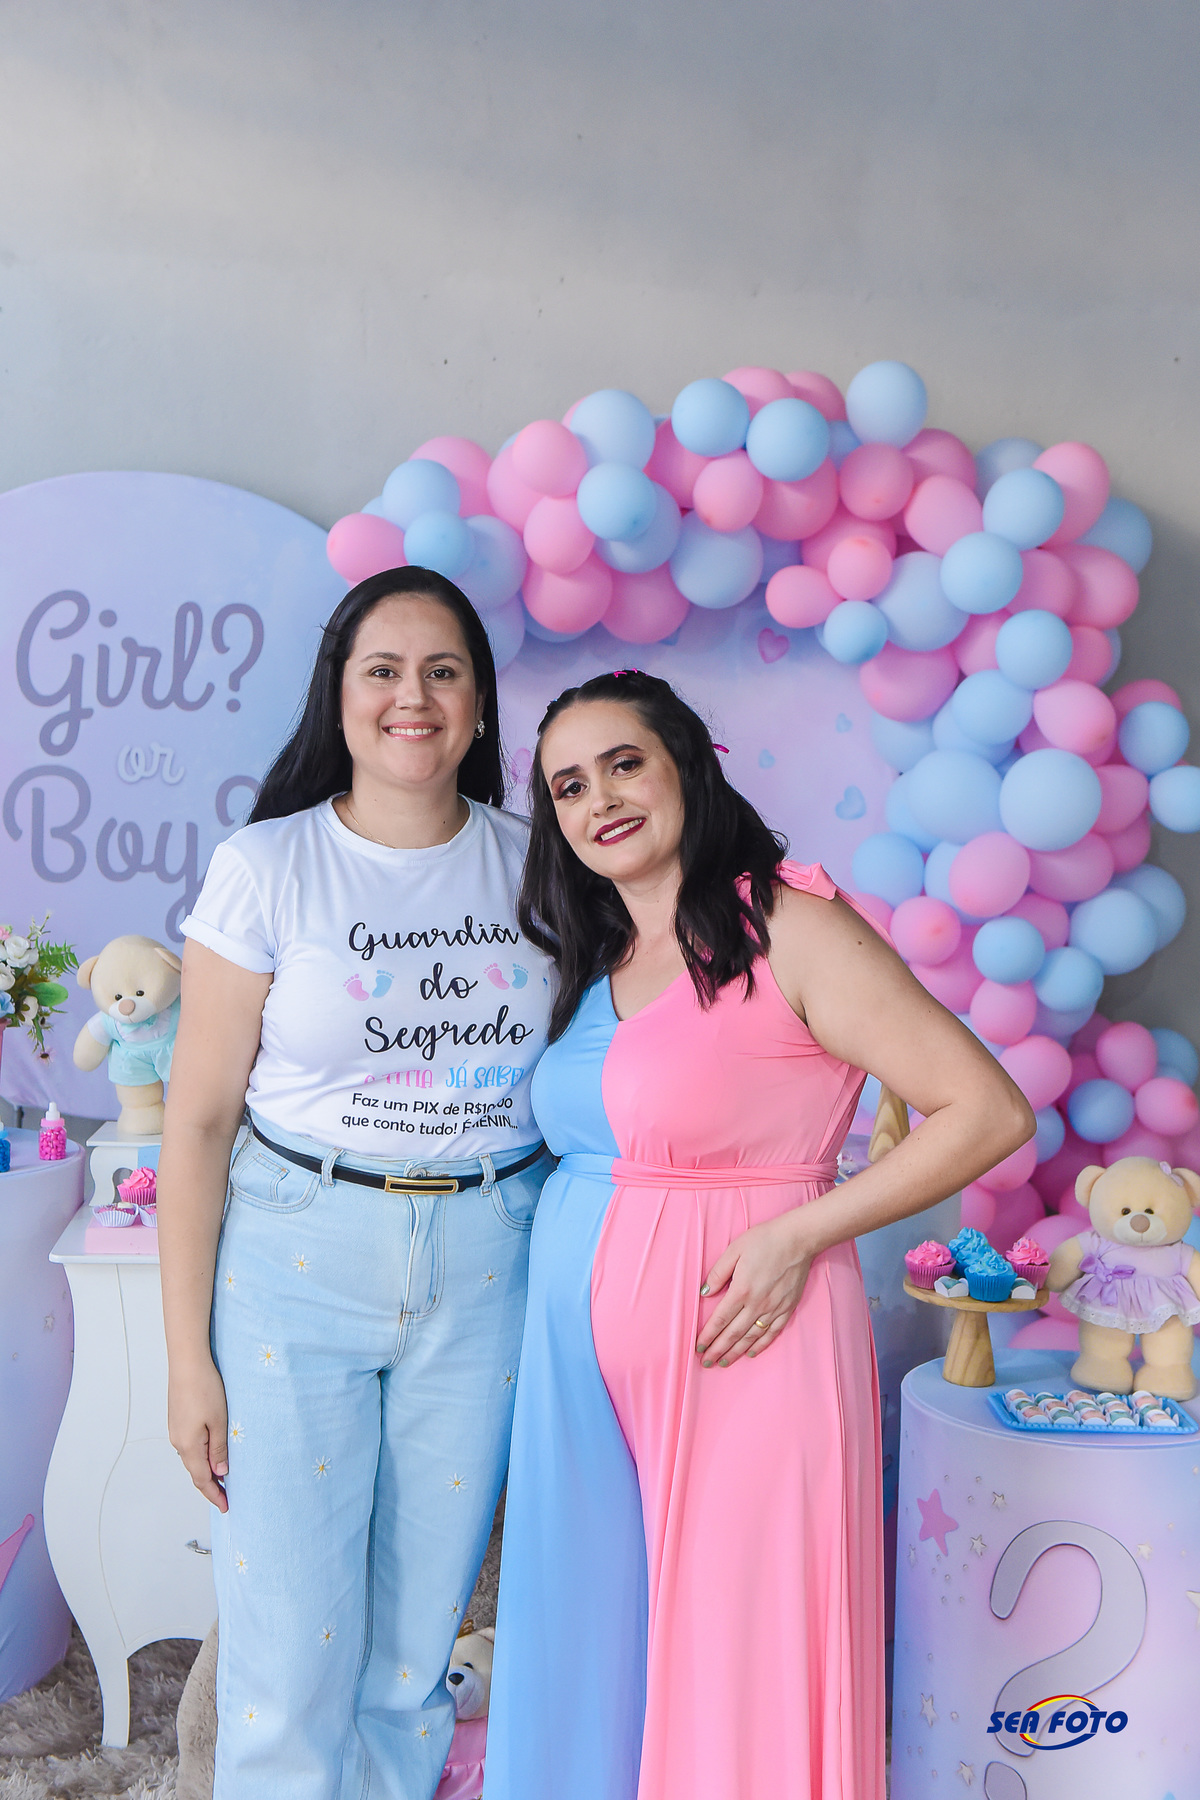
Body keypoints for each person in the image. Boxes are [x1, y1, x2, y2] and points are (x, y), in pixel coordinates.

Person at [483, 670, 1034, 1800]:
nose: (600, 801)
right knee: (588, 1646)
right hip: (579, 1360)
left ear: (687, 764)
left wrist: (797, 1236)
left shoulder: (788, 925)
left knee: (740, 1655)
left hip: (748, 1340)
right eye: (569, 787)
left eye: (625, 764)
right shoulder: (597, 954)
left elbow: (989, 1111)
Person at [157, 567, 554, 1800]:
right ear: (339, 695)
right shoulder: (268, 865)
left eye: (442, 671)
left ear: (479, 705)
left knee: (414, 1650)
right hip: (298, 1255)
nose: (411, 698)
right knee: (286, 1646)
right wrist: (187, 1360)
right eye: (382, 670)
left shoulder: (541, 867)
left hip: (487, 1257)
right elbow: (199, 1120)